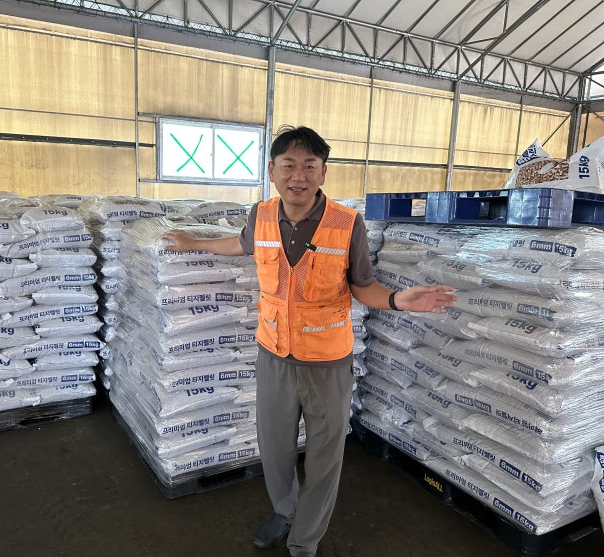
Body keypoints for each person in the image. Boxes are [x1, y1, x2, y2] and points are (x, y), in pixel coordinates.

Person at [162, 125, 456, 557]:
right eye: (289, 165)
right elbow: (241, 245)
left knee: (323, 459)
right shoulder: (261, 215)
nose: (297, 176)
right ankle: (284, 512)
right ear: (272, 171)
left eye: (309, 166)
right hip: (274, 355)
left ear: (323, 172)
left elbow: (363, 286)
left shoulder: (346, 223)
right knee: (275, 449)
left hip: (327, 363)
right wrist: (193, 242)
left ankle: (305, 540)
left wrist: (398, 300)